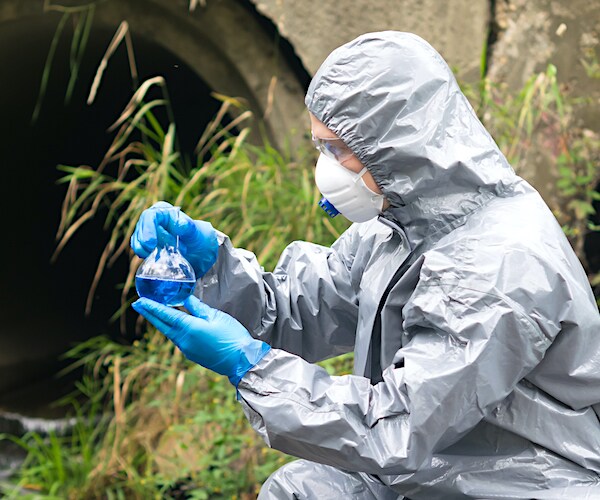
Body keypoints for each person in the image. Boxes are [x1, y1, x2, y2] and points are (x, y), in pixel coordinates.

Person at [130, 32, 600, 499]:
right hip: (436, 468)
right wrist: (214, 264)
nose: (326, 168)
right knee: (303, 490)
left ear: (397, 144)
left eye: (337, 149)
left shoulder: (497, 265)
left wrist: (251, 368)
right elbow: (299, 310)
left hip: (523, 483)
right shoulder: (404, 224)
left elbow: (399, 427)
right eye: (319, 147)